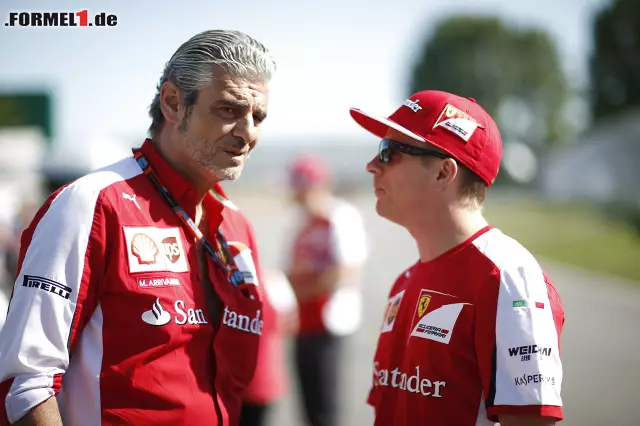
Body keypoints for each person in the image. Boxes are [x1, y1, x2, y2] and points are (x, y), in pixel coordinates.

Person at [0, 29, 276, 426]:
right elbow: (26, 383)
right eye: (229, 109)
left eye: (258, 116)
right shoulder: (92, 204)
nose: (248, 132)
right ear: (173, 103)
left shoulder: (237, 226)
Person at [349, 90, 565, 426]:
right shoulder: (404, 283)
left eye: (389, 152)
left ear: (442, 173)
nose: (372, 166)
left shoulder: (506, 278)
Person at [284, 154, 368, 426]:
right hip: (302, 324)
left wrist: (304, 290)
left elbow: (346, 270)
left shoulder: (340, 217)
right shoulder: (302, 223)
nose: (296, 196)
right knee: (307, 406)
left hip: (329, 323)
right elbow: (291, 271)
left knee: (326, 406)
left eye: (300, 189)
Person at [239, 267, 298, 426]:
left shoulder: (272, 281)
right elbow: (292, 323)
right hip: (264, 380)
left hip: (255, 381)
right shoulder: (274, 281)